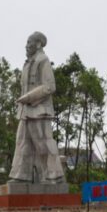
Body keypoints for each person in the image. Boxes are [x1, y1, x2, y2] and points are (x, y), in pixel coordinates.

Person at [7, 31, 65, 184]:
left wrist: (28, 98)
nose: (26, 46)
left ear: (38, 44)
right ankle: (21, 175)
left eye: (29, 42)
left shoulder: (43, 60)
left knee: (43, 142)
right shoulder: (28, 63)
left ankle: (54, 175)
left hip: (39, 109)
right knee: (22, 142)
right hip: (26, 111)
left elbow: (49, 86)